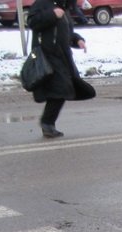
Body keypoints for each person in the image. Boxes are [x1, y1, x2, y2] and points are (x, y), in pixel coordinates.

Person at [27, 0, 96, 139]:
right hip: (47, 56)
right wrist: (51, 15)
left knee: (61, 90)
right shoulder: (43, 3)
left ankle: (47, 123)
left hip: (62, 57)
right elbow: (32, 22)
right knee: (61, 89)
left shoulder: (63, 7)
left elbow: (66, 32)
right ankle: (47, 123)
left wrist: (77, 40)